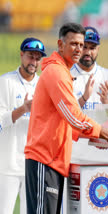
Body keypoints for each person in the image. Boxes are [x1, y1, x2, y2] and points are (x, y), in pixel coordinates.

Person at [24, 23, 108, 214]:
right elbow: (74, 117)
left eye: (81, 44)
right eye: (74, 44)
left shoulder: (62, 71)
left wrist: (96, 137)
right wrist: (107, 134)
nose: (79, 49)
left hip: (53, 161)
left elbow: (68, 122)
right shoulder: (57, 73)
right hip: (44, 159)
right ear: (60, 45)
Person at [0, 37, 46, 214]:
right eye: (30, 56)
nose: (33, 61)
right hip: (7, 165)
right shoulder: (6, 82)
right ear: (21, 55)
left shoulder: (43, 84)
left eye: (37, 58)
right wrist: (23, 109)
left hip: (33, 165)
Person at [70, 26, 108, 164]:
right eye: (84, 47)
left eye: (92, 48)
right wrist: (83, 98)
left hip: (103, 156)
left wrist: (107, 103)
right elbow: (67, 116)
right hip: (73, 156)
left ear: (98, 49)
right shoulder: (67, 74)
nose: (87, 52)